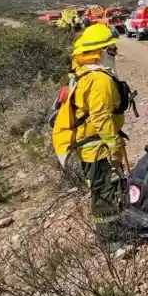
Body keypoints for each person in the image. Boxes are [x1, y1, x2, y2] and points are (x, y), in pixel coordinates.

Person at [51, 23, 131, 255]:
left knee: (102, 191)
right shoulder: (99, 80)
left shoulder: (83, 73)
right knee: (105, 192)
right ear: (100, 52)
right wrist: (114, 148)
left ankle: (109, 234)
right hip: (98, 147)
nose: (114, 53)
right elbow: (101, 118)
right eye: (111, 49)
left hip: (91, 145)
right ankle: (112, 243)